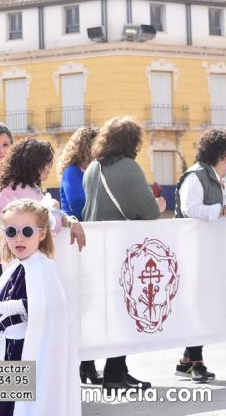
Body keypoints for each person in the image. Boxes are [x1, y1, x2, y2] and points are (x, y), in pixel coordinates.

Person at [0, 199, 80, 416]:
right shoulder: (16, 270)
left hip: (29, 356)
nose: (19, 238)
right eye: (11, 231)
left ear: (42, 234)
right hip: (8, 355)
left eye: (27, 231)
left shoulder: (44, 268)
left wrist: (22, 307)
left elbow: (55, 310)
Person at [82, 116, 166, 391]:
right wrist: (158, 202)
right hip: (121, 251)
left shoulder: (92, 168)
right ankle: (115, 373)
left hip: (94, 249)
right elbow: (148, 212)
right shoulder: (128, 167)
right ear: (132, 142)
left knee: (103, 311)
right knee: (124, 310)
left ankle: (107, 368)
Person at [0, 139, 86, 275]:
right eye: (47, 162)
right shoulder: (22, 190)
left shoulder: (15, 186)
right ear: (34, 164)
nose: (49, 167)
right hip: (5, 263)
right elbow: (49, 227)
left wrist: (66, 217)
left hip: (3, 258)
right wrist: (55, 206)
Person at [172, 129, 226, 383]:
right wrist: (220, 210)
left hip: (207, 253)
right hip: (191, 252)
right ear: (221, 154)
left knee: (204, 304)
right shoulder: (196, 176)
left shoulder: (216, 178)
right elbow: (189, 208)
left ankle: (186, 360)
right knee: (196, 305)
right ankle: (197, 363)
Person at [57, 126, 101, 385]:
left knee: (91, 306)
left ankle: (89, 364)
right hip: (76, 245)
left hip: (90, 243)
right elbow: (76, 204)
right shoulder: (73, 172)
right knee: (81, 306)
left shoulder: (91, 170)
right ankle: (85, 365)